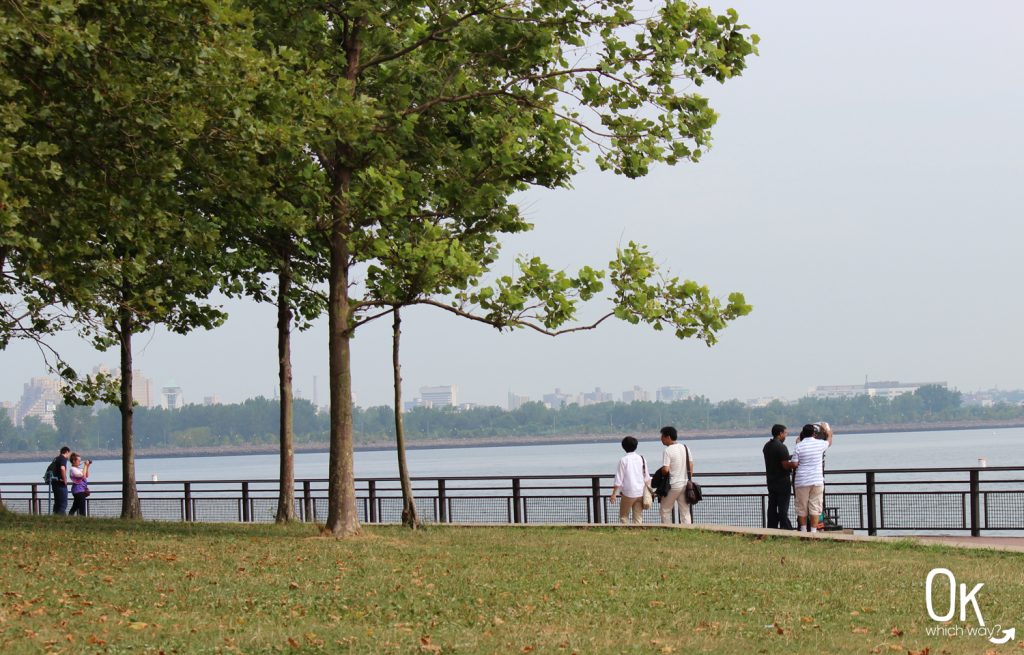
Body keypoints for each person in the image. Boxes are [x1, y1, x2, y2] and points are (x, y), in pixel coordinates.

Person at [791, 422, 833, 532]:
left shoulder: (798, 446)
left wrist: (798, 442)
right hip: (817, 480)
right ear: (814, 433)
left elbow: (795, 463)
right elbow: (829, 441)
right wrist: (828, 432)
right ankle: (814, 531)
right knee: (815, 506)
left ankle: (804, 530)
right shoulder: (820, 444)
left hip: (802, 481)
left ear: (802, 434)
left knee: (802, 506)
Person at [609, 436, 651, 525]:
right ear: (636, 446)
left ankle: (626, 532)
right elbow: (647, 477)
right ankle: (638, 533)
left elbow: (618, 480)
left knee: (624, 516)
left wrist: (614, 494)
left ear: (623, 447)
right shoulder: (642, 459)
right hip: (640, 492)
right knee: (638, 516)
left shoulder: (623, 460)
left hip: (628, 493)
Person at [763, 424, 797, 529]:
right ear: (780, 433)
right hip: (782, 482)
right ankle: (786, 528)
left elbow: (775, 460)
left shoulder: (767, 446)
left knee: (772, 507)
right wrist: (795, 464)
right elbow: (785, 465)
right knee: (783, 508)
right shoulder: (781, 447)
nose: (786, 436)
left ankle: (772, 527)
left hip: (771, 481)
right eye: (785, 433)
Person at [657, 426, 694, 525]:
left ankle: (667, 528)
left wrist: (663, 473)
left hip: (673, 485)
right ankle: (687, 530)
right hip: (685, 484)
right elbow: (690, 465)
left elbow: (665, 469)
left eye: (662, 437)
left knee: (665, 509)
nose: (661, 439)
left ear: (668, 437)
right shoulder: (685, 448)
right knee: (685, 510)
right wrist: (689, 479)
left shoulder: (668, 450)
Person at [50, 446, 71, 516]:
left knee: (57, 503)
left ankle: (55, 516)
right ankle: (61, 518)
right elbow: (62, 468)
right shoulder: (63, 459)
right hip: (60, 483)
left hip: (54, 483)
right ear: (67, 452)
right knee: (63, 503)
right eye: (69, 454)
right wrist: (65, 480)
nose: (69, 456)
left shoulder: (56, 459)